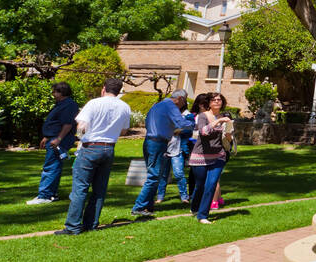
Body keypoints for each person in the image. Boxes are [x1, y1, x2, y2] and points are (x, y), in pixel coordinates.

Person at [55, 78, 131, 236]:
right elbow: (124, 131)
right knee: (99, 189)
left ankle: (73, 226)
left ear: (104, 89)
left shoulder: (94, 103)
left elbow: (81, 126)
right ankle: (91, 224)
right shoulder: (125, 107)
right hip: (109, 148)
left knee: (80, 188)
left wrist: (80, 138)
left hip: (91, 147)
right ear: (119, 91)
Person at [131, 89, 194, 218]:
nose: (184, 105)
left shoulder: (157, 105)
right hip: (158, 142)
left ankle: (148, 206)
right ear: (180, 98)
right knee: (154, 176)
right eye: (184, 101)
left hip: (149, 141)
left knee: (154, 174)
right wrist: (193, 123)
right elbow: (181, 123)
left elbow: (149, 121)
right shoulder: (171, 106)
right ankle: (138, 206)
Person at [27, 82, 80, 205]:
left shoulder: (69, 105)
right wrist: (47, 136)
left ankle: (45, 195)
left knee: (51, 166)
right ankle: (52, 193)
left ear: (61, 92)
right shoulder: (60, 104)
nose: (53, 94)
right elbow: (56, 123)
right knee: (54, 165)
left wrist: (58, 139)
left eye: (54, 92)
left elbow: (67, 124)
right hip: (52, 137)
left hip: (59, 140)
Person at [187, 92, 232, 224]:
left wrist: (229, 134)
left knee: (211, 185)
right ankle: (195, 207)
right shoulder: (203, 116)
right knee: (200, 185)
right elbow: (203, 132)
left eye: (219, 100)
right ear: (209, 103)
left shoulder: (226, 117)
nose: (217, 102)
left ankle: (202, 215)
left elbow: (228, 138)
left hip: (219, 155)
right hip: (200, 156)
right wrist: (218, 121)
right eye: (214, 100)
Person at [157, 100, 195, 204]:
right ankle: (160, 197)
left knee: (178, 173)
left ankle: (184, 197)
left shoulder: (186, 115)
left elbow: (190, 130)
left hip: (177, 148)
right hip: (165, 147)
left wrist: (180, 131)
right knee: (163, 174)